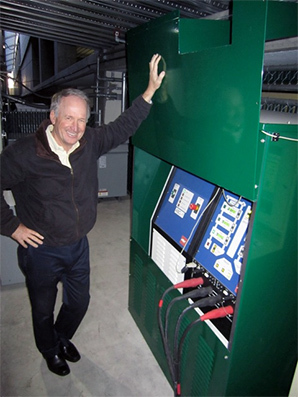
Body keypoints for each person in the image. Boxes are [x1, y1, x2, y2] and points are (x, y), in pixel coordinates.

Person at [0, 54, 165, 376]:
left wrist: (147, 94)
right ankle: (49, 350)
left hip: (77, 245)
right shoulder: (22, 154)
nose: (75, 127)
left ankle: (60, 339)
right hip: (40, 251)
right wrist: (12, 226)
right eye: (68, 119)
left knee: (78, 303)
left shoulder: (89, 142)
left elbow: (122, 127)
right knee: (43, 310)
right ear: (52, 116)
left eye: (81, 120)